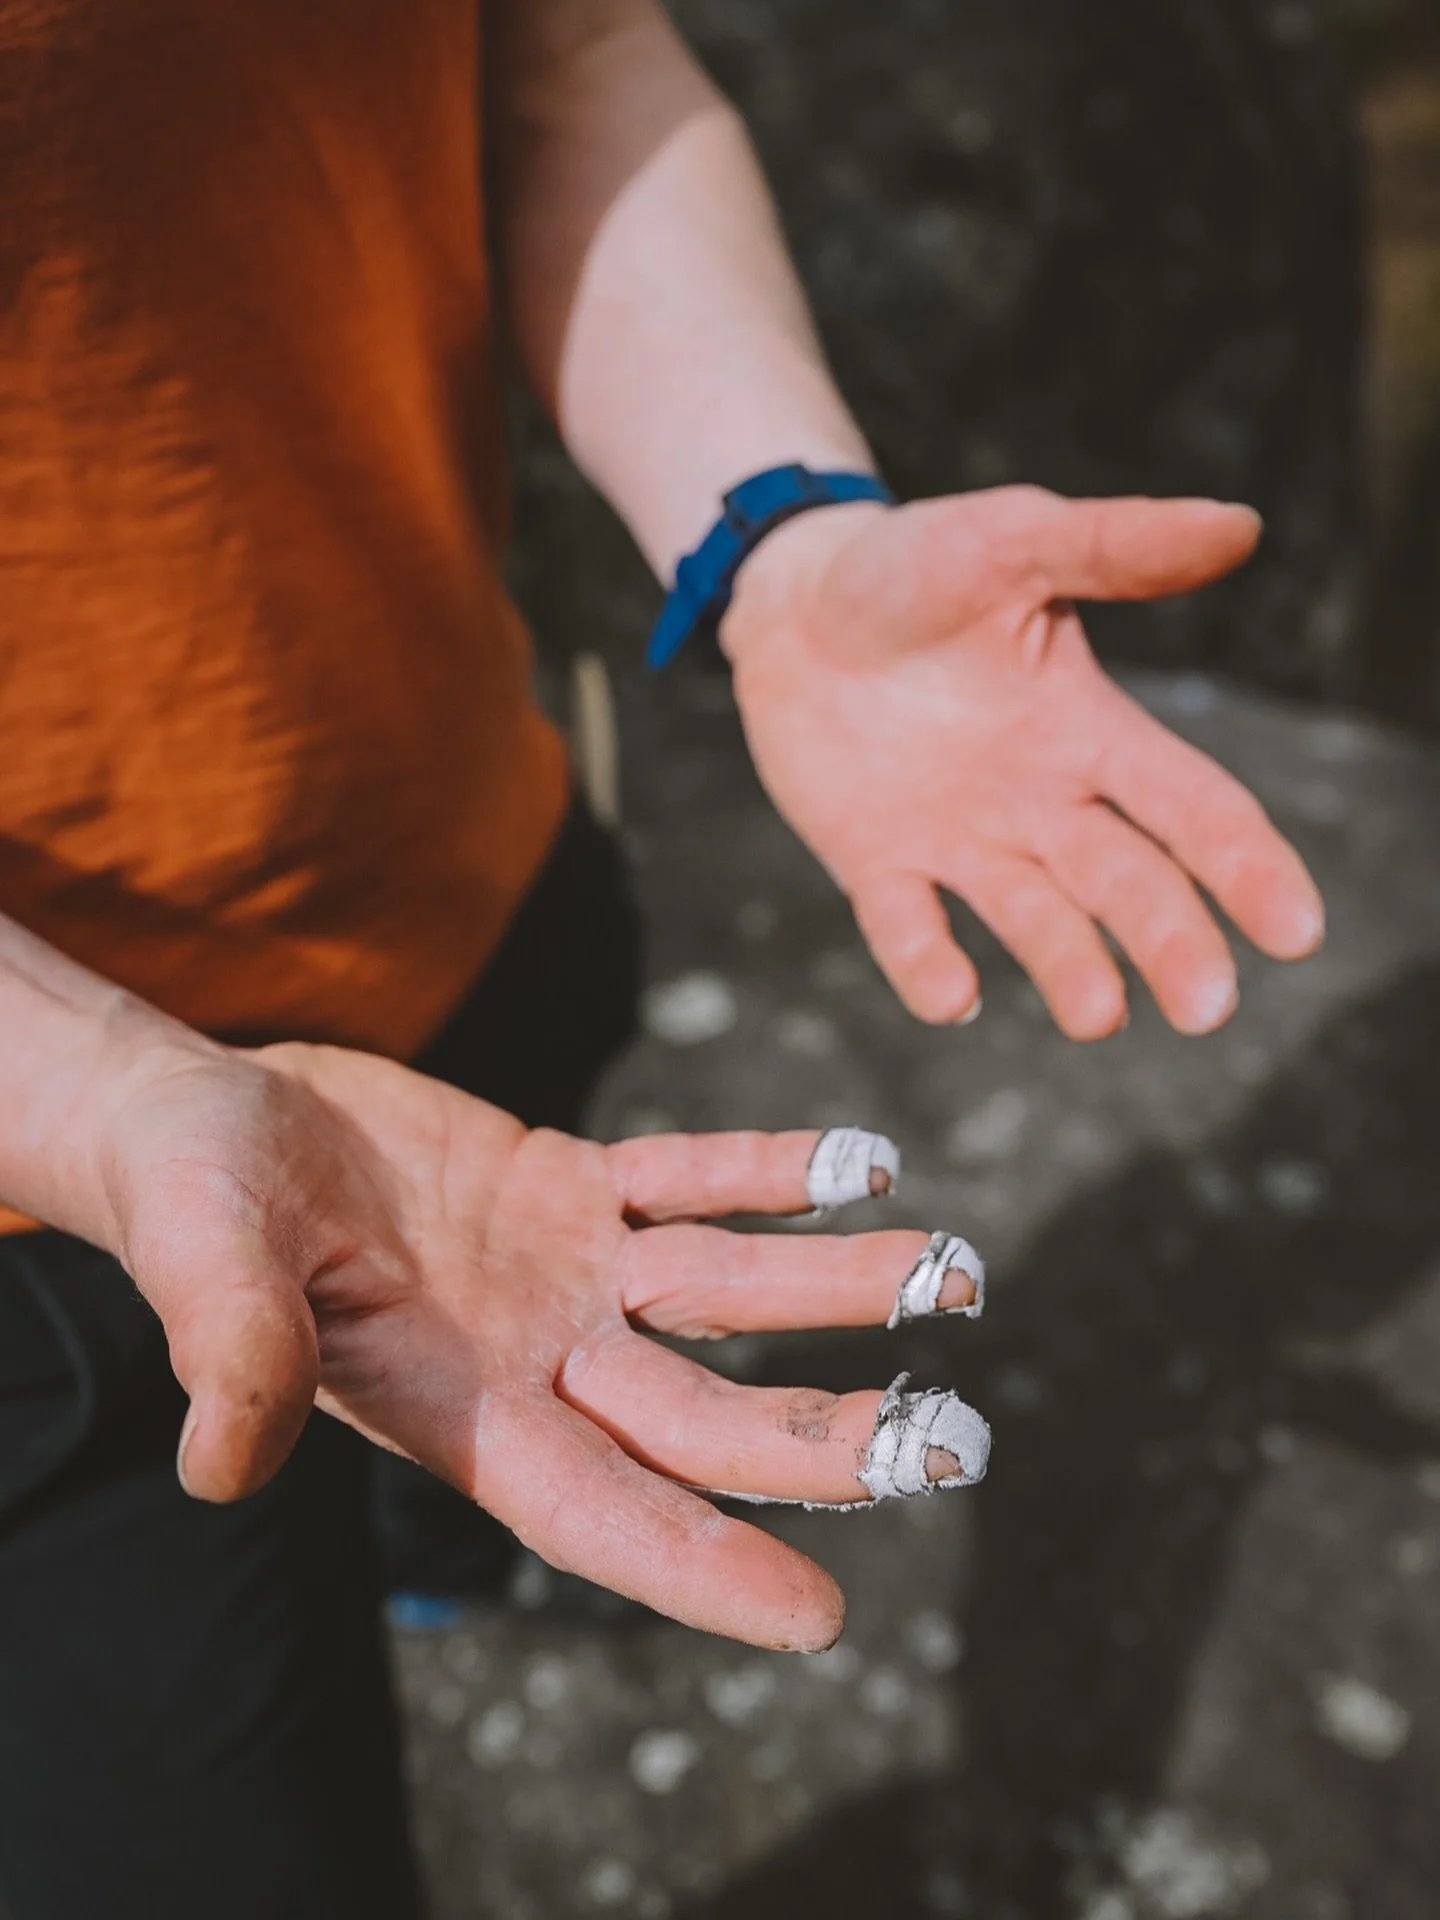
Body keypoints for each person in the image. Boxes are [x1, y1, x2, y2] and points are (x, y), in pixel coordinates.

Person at [0, 0, 1326, 1912]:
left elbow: (556, 64)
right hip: (55, 1207)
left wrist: (779, 530)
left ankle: (420, 1541)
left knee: (477, 1332)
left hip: (463, 878)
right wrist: (103, 1085)